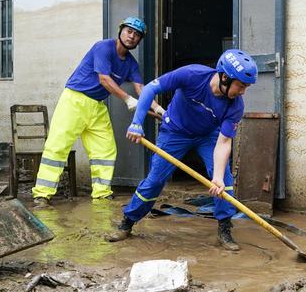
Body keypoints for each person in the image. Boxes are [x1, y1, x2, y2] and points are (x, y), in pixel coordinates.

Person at [105, 49, 257, 250]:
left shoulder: (235, 106)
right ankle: (127, 222)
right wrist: (137, 123)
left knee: (224, 181)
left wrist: (218, 177)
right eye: (241, 85)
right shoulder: (192, 75)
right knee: (155, 180)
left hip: (207, 136)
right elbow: (150, 89)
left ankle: (224, 228)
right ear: (225, 77)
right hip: (174, 132)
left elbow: (224, 142)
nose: (243, 92)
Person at [32, 17, 164, 206]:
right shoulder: (103, 47)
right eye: (129, 31)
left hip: (97, 105)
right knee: (58, 146)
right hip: (74, 100)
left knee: (105, 149)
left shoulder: (131, 64)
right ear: (121, 31)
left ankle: (102, 192)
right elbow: (104, 79)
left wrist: (160, 110)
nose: (132, 37)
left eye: (137, 35)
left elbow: (142, 90)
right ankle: (42, 194)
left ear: (139, 40)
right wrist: (127, 99)